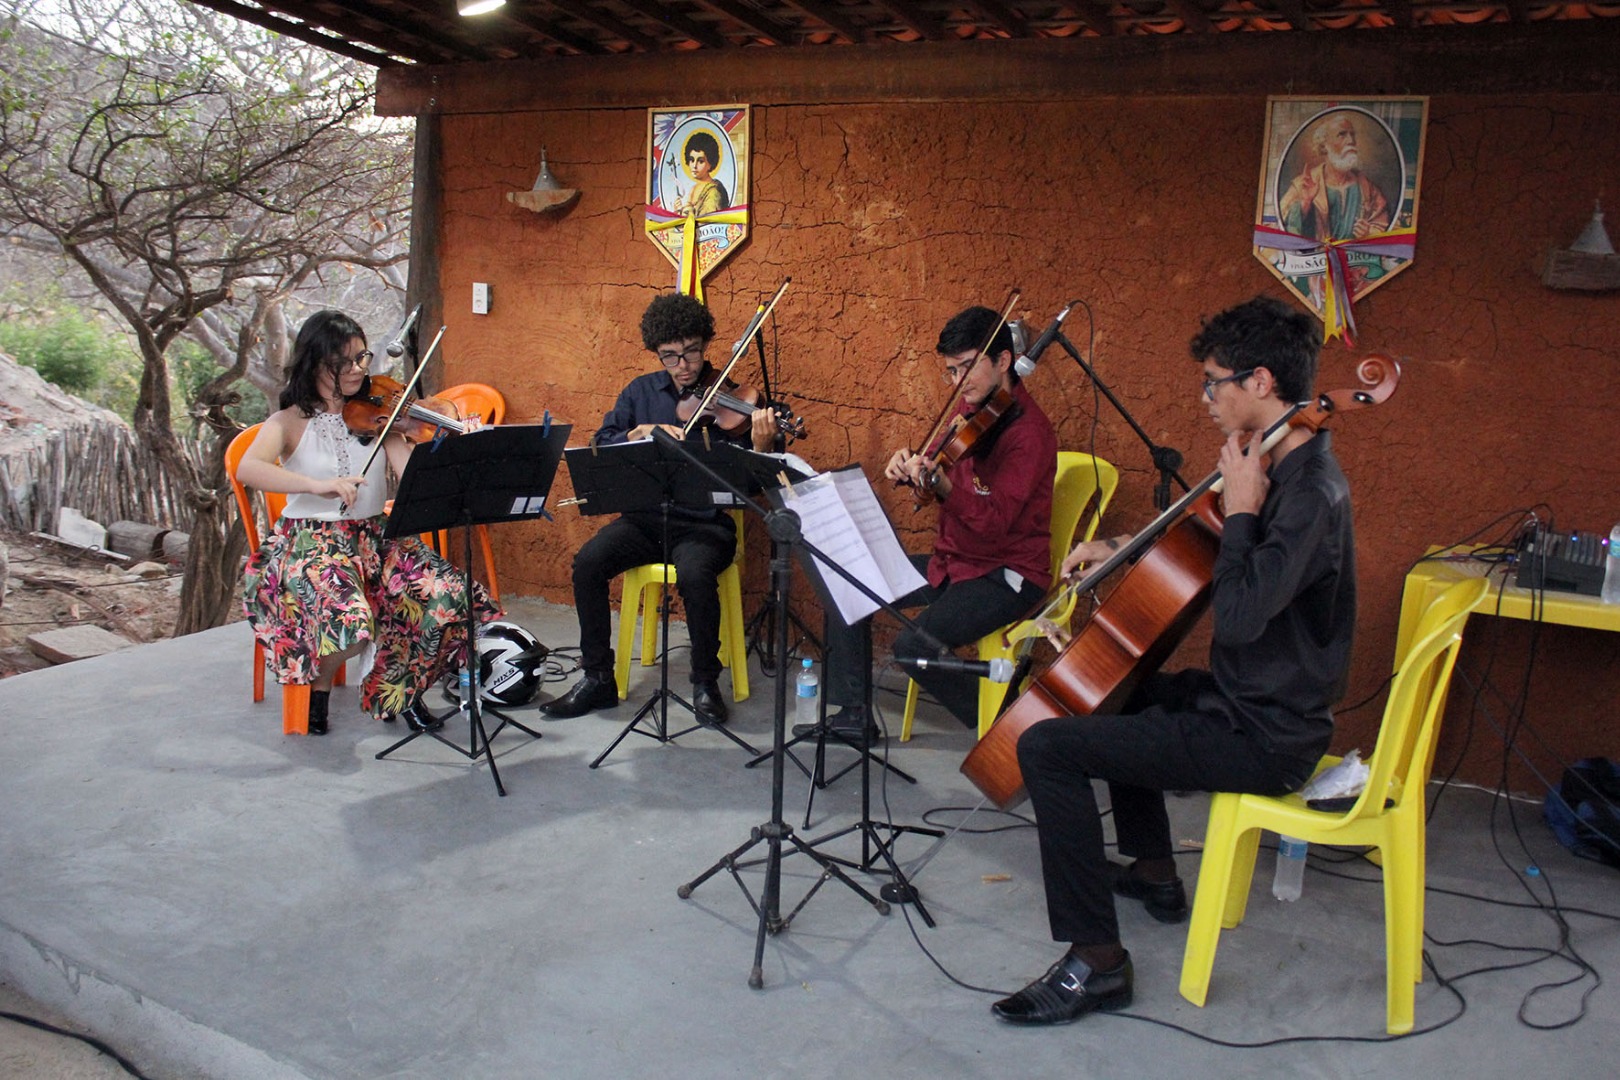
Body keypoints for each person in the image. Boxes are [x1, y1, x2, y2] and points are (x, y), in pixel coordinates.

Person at [991, 295, 1355, 1026]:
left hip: (1264, 735)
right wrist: (1121, 551)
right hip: (1244, 699)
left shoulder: (1307, 491)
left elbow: (1246, 612)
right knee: (1118, 690)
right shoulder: (1278, 466)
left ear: (1259, 383)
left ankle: (1096, 963)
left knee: (1049, 746)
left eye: (1214, 382)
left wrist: (1245, 508)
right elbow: (1213, 546)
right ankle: (1156, 873)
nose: (1208, 399)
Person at [800, 305, 1056, 745]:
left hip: (1004, 574)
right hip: (954, 563)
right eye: (952, 371)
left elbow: (993, 524)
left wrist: (943, 488)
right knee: (852, 582)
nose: (960, 383)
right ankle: (855, 715)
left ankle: (1007, 721)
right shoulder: (971, 411)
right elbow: (934, 482)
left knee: (912, 648)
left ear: (1003, 361)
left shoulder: (1028, 435)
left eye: (969, 367)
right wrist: (915, 472)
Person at [238, 310, 495, 736]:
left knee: (447, 596)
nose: (360, 369)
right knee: (352, 625)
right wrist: (316, 485)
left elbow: (414, 481)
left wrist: (440, 439)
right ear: (317, 364)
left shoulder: (378, 416)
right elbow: (249, 468)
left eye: (363, 358)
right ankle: (318, 687)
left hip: (377, 538)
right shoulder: (287, 422)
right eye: (347, 362)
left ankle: (401, 690)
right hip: (310, 544)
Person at [541, 293, 778, 724]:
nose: (684, 365)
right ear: (657, 354)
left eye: (690, 352)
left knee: (695, 572)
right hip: (646, 520)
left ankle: (705, 681)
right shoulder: (640, 393)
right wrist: (636, 434)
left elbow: (757, 482)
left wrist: (761, 443)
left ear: (705, 344)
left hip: (705, 526)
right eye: (670, 356)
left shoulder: (731, 397)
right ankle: (597, 679)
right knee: (588, 563)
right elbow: (601, 444)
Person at [1277, 113, 1392, 243]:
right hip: (1315, 259)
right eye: (1342, 134)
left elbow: (1386, 227)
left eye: (1352, 134)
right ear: (1324, 145)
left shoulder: (1367, 187)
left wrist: (1369, 233)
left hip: (1356, 261)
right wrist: (1305, 204)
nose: (1351, 141)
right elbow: (1280, 225)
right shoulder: (1303, 184)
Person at [672, 132, 730, 217]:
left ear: (710, 163)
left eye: (700, 161)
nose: (694, 166)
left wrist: (683, 213)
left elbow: (705, 223)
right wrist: (678, 210)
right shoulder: (694, 189)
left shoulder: (714, 192)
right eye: (692, 160)